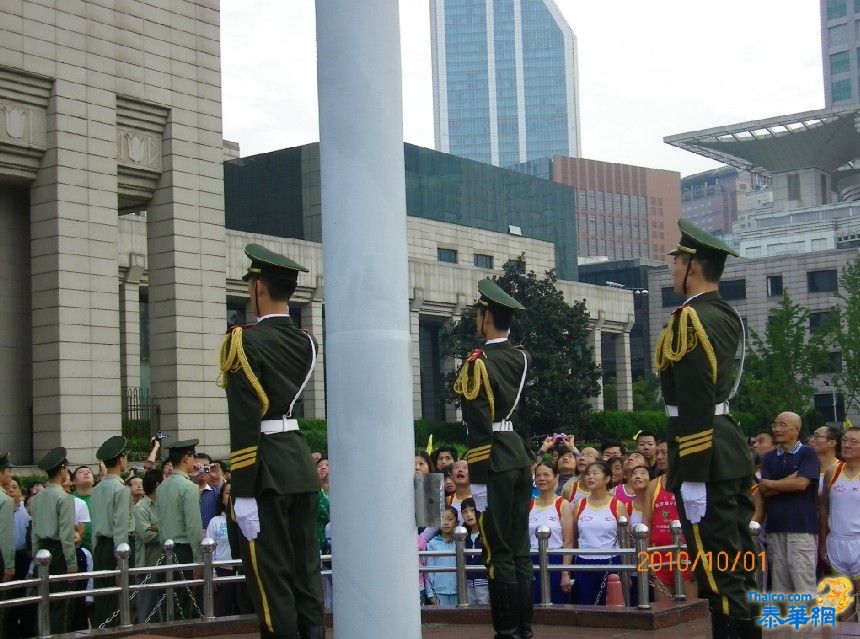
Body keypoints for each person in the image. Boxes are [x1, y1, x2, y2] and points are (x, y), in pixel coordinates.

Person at [654, 219, 757, 638]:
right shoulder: (725, 313)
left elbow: (695, 400)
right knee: (738, 566)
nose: (673, 269)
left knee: (718, 574)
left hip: (705, 458)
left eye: (677, 261)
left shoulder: (690, 320)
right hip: (726, 450)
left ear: (693, 265)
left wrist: (692, 476)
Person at [218, 243, 324, 639]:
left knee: (270, 577)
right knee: (305, 569)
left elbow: (244, 421)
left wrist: (242, 490)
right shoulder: (306, 342)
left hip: (264, 472)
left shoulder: (242, 342)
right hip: (298, 464)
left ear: (258, 288)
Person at [454, 278, 533, 639]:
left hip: (494, 461)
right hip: (516, 453)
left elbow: (478, 426)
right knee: (518, 548)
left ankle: (507, 631)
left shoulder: (478, 363)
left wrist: (478, 476)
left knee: (497, 548)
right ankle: (525, 629)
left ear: (486, 317)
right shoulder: (519, 356)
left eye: (478, 313)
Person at [759, 411, 819, 601]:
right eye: (776, 424)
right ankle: (785, 629)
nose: (777, 429)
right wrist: (789, 481)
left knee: (803, 582)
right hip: (775, 528)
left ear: (796, 429)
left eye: (783, 425)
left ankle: (809, 629)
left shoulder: (808, 453)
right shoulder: (768, 458)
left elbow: (801, 484)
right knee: (779, 584)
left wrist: (772, 483)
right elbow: (764, 490)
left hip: (800, 528)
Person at [30, 447, 77, 634]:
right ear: (63, 470)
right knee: (61, 605)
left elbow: (34, 532)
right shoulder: (64, 498)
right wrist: (72, 564)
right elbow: (66, 535)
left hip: (41, 551)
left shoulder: (38, 497)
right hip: (59, 553)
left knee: (42, 602)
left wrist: (35, 558)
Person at [156, 438, 204, 620]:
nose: (195, 462)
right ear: (186, 457)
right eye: (193, 457)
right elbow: (193, 526)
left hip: (165, 550)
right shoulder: (189, 487)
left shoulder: (162, 487)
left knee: (169, 604)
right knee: (186, 605)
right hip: (184, 552)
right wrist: (199, 558)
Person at [570, 461, 630, 605]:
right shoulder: (579, 505)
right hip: (584, 561)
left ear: (607, 478)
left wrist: (626, 571)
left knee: (612, 605)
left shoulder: (617, 505)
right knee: (585, 604)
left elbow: (626, 540)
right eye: (588, 474)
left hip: (611, 561)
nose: (590, 477)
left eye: (595, 473)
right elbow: (575, 536)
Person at [647, 442, 697, 602]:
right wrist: (645, 557)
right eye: (658, 453)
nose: (659, 457)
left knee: (689, 611)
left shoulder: (691, 483)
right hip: (660, 555)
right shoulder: (653, 485)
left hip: (686, 554)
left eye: (664, 453)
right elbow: (647, 523)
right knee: (663, 612)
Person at [91, 435, 132, 628]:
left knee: (102, 598)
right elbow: (121, 526)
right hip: (115, 548)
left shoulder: (97, 488)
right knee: (116, 599)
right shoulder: (121, 489)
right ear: (120, 460)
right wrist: (121, 559)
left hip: (99, 546)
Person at [820, 427, 860, 606]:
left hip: (858, 543)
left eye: (854, 442)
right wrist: (822, 542)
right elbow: (824, 508)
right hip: (835, 543)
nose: (847, 445)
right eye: (845, 440)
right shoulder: (832, 471)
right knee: (842, 605)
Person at [528, 462, 573, 604]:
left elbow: (569, 541)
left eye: (546, 475)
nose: (542, 479)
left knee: (557, 604)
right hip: (532, 558)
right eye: (539, 475)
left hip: (555, 559)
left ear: (556, 478)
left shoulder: (563, 504)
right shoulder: (529, 504)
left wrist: (565, 572)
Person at [133, 469, 162, 624]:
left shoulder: (163, 505)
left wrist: (155, 527)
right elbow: (145, 535)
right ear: (158, 484)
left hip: (163, 562)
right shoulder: (140, 508)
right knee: (147, 608)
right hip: (147, 565)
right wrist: (163, 530)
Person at [205, 482, 236, 617]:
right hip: (222, 572)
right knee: (222, 612)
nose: (231, 496)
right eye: (227, 493)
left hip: (242, 570)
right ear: (222, 498)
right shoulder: (215, 521)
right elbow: (208, 550)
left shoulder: (246, 519)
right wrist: (212, 574)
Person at [425, 506, 459, 606]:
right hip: (439, 592)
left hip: (459, 591)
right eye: (442, 519)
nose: (446, 522)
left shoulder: (460, 542)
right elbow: (429, 571)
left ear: (456, 522)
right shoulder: (432, 544)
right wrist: (431, 594)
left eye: (450, 519)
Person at [460, 498, 489, 605]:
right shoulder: (463, 537)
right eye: (465, 512)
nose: (468, 515)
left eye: (472, 510)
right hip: (467, 584)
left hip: (485, 583)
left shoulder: (487, 534)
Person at [810, 425, 841, 494]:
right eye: (812, 436)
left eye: (816, 436)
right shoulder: (806, 468)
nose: (811, 440)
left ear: (831, 443)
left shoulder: (842, 471)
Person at [72, 466, 95, 552]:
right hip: (78, 548)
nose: (86, 473)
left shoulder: (102, 498)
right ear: (74, 481)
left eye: (88, 472)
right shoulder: (68, 500)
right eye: (81, 472)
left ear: (93, 481)